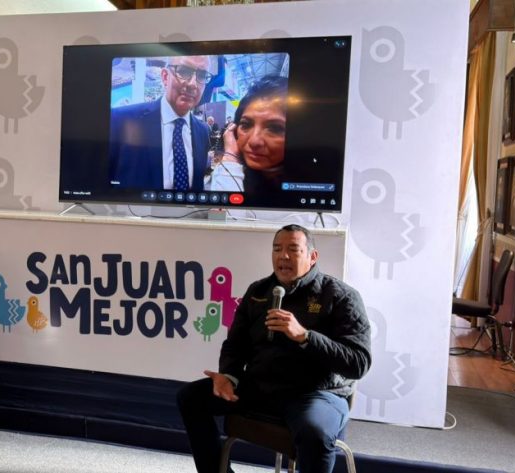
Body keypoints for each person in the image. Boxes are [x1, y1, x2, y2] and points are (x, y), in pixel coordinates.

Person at [177, 224, 371, 473]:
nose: (283, 256)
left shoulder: (340, 296)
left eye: (293, 249)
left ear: (312, 257)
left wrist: (305, 337)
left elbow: (358, 362)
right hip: (261, 386)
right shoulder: (258, 291)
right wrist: (229, 375)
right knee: (191, 397)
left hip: (315, 393)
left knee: (315, 433)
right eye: (277, 249)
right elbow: (235, 345)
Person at [108, 55, 213, 191]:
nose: (193, 84)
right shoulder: (120, 120)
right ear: (165, 77)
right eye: (184, 71)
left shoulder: (203, 131)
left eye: (202, 75)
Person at [214, 75, 287, 195]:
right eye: (246, 124)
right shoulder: (234, 171)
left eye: (275, 128)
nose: (254, 141)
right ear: (234, 130)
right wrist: (231, 156)